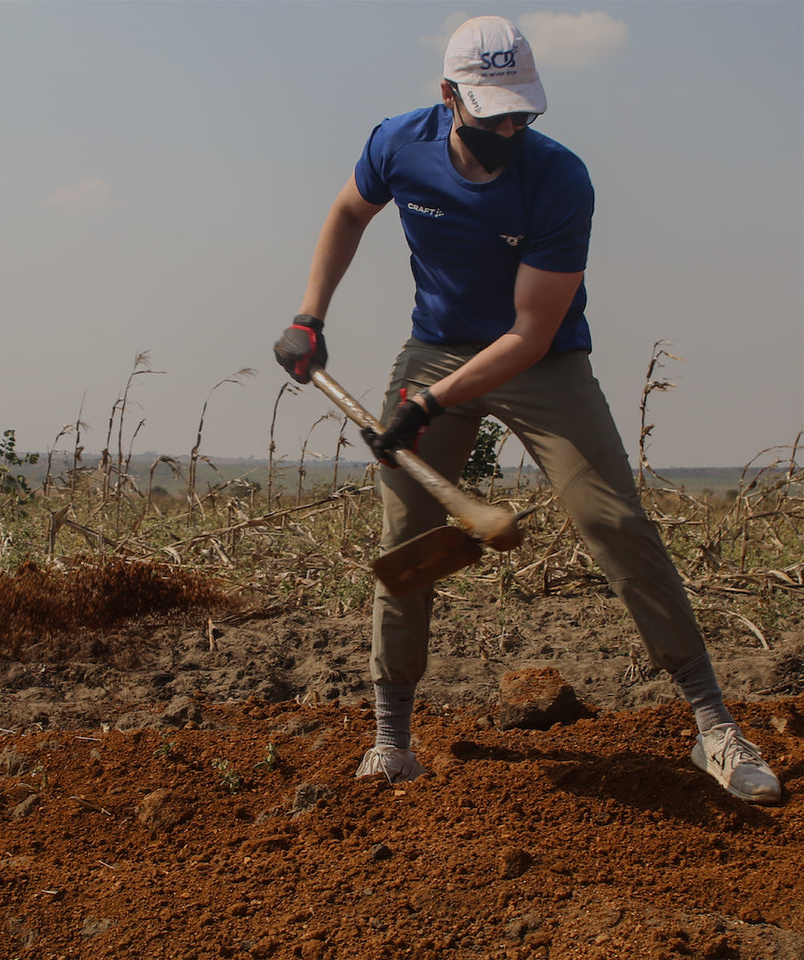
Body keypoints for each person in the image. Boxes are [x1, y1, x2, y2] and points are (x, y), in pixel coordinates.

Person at [274, 15, 782, 804]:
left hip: (537, 361)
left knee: (612, 519)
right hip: (436, 347)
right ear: (448, 97)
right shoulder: (397, 144)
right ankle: (393, 737)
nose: (511, 126)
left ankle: (713, 723)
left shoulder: (559, 179)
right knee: (407, 537)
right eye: (493, 112)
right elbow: (347, 214)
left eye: (523, 112)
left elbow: (531, 329)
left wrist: (428, 405)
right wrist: (311, 315)